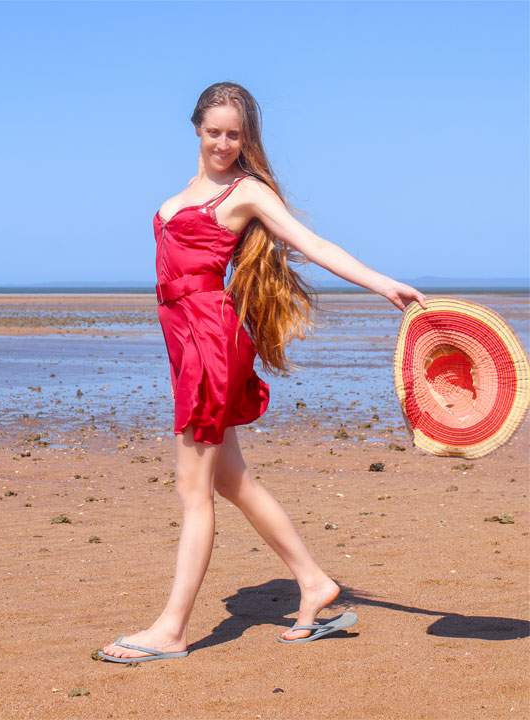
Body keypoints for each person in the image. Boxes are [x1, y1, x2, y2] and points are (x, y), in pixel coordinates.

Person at [99, 82, 427, 662]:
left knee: (192, 488)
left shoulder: (246, 191)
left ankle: (172, 629)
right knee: (229, 480)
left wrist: (381, 283)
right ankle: (314, 581)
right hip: (185, 340)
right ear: (195, 128)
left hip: (207, 340)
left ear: (246, 138)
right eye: (214, 131)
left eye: (235, 134)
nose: (224, 142)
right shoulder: (188, 192)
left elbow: (311, 242)